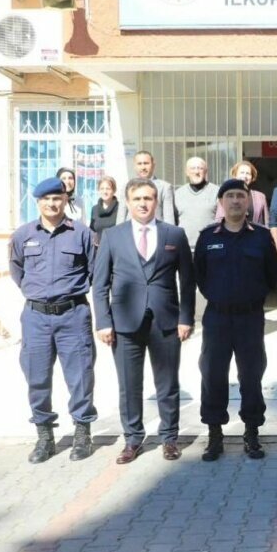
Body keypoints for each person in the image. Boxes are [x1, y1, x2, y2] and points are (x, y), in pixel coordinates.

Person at [93, 178, 195, 465]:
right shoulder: (113, 236)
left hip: (166, 321)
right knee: (129, 385)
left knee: (167, 383)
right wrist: (103, 321)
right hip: (124, 323)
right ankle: (133, 439)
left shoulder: (174, 234)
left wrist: (186, 317)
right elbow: (99, 284)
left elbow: (187, 281)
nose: (143, 203)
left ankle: (170, 438)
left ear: (156, 201)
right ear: (127, 201)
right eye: (137, 198)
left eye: (148, 198)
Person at [8, 177, 97, 464]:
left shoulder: (81, 233)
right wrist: (38, 295)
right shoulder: (22, 235)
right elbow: (17, 271)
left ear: (65, 201)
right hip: (35, 316)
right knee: (37, 376)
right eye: (46, 199)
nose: (52, 203)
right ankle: (44, 436)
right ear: (37, 202)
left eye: (57, 198)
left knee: (80, 376)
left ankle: (82, 433)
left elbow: (94, 271)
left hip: (73, 313)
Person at [196, 179, 277, 461]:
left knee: (252, 376)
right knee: (212, 375)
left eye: (240, 196)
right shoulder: (208, 237)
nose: (235, 201)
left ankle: (252, 433)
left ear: (249, 202)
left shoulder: (261, 237)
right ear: (221, 202)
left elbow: (272, 276)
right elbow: (201, 277)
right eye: (229, 196)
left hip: (250, 318)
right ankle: (215, 434)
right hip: (217, 318)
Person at [174, 156, 219, 250]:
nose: (196, 171)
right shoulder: (178, 194)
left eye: (200, 168)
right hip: (184, 247)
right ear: (187, 172)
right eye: (193, 168)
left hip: (210, 246)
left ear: (206, 171)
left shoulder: (217, 192)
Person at [214, 161, 269, 226]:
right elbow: (219, 219)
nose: (244, 176)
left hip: (255, 235)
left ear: (252, 177)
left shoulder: (260, 196)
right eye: (242, 173)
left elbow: (266, 222)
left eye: (248, 173)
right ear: (235, 175)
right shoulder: (226, 194)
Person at [132, 150, 176, 225]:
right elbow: (121, 216)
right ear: (135, 166)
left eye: (146, 163)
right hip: (131, 233)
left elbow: (169, 217)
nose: (143, 167)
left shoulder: (165, 187)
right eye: (139, 164)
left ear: (153, 165)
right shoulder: (127, 187)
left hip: (156, 232)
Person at [89, 176, 124, 245]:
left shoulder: (120, 209)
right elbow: (91, 230)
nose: (105, 192)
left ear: (114, 190)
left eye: (108, 189)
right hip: (98, 249)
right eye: (102, 189)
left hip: (115, 249)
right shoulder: (95, 209)